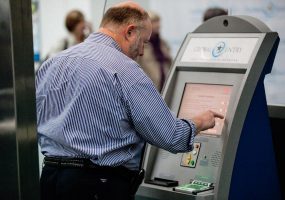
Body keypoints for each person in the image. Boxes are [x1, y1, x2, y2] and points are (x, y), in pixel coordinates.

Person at [36, 1, 224, 200]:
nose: (142, 51)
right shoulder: (125, 70)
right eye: (143, 41)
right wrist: (200, 122)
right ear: (130, 32)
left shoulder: (52, 64)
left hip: (50, 179)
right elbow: (170, 135)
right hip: (98, 186)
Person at [137, 11, 172, 92]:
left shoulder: (163, 44)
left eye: (158, 22)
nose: (158, 25)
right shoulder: (140, 45)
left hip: (165, 87)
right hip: (148, 90)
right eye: (154, 22)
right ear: (145, 25)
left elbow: (170, 64)